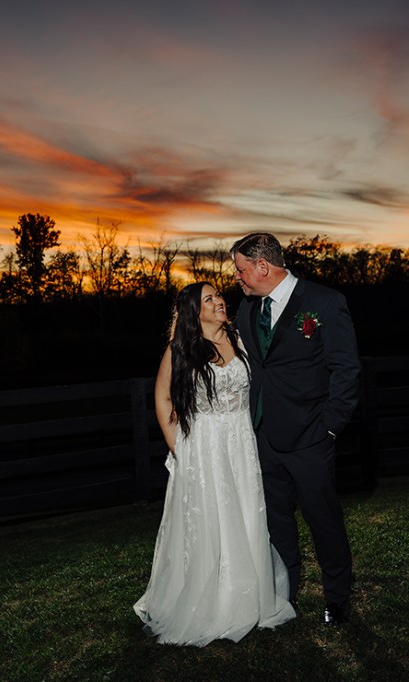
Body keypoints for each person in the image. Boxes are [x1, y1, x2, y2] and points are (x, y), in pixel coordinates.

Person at [133, 282, 296, 646]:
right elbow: (162, 398)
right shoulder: (180, 350)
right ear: (196, 312)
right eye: (209, 299)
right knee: (210, 520)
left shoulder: (239, 340)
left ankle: (249, 595)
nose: (220, 301)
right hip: (203, 447)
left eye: (218, 296)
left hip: (241, 443)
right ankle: (211, 602)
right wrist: (178, 446)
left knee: (246, 514)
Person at [230, 233, 361, 626]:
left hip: (310, 438)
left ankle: (337, 598)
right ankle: (284, 593)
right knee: (277, 523)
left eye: (240, 269)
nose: (237, 277)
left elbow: (346, 369)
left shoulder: (324, 302)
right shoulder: (246, 309)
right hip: (263, 437)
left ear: (262, 266)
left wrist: (330, 427)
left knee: (323, 520)